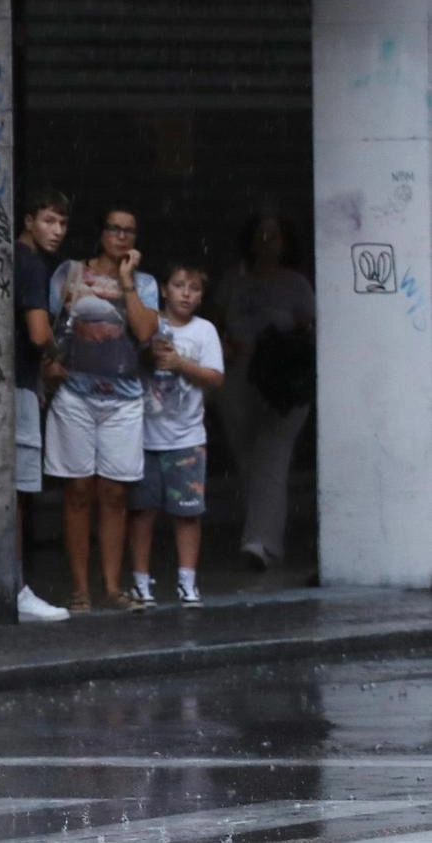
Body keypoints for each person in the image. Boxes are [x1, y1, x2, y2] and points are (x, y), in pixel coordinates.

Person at [45, 204, 160, 613]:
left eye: (129, 230)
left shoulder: (144, 284)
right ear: (101, 233)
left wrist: (126, 281)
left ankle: (112, 586)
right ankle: (80, 588)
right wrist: (48, 365)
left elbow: (146, 333)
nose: (121, 236)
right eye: (114, 228)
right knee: (77, 491)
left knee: (114, 493)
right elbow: (48, 328)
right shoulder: (69, 273)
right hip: (75, 396)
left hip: (124, 399)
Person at [213, 214, 315, 570]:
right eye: (261, 235)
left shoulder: (296, 284)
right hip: (239, 380)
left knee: (272, 457)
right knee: (249, 461)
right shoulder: (232, 282)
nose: (268, 242)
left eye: (275, 235)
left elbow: (311, 332)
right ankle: (266, 538)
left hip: (282, 383)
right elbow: (216, 324)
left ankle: (259, 543)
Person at [127, 264, 225, 609]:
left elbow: (215, 378)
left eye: (195, 288)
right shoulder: (148, 323)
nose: (186, 293)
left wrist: (181, 364)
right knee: (142, 511)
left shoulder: (204, 331)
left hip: (187, 438)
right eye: (179, 285)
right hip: (144, 436)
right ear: (164, 290)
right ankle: (140, 582)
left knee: (188, 512)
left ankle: (187, 581)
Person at [13, 188, 70, 623]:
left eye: (63, 224)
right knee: (20, 491)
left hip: (10, 383)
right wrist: (54, 356)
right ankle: (16, 589)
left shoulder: (17, 258)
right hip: (20, 386)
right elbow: (36, 332)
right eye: (49, 220)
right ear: (29, 220)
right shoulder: (31, 265)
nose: (57, 231)